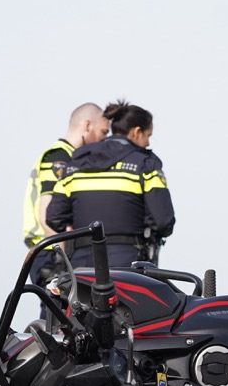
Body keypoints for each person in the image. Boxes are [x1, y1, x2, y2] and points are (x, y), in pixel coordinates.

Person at [46, 100, 175, 269]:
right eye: (148, 136)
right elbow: (162, 221)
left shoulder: (74, 163)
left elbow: (54, 217)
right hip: (129, 265)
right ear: (137, 132)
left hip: (81, 266)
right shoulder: (146, 165)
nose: (148, 143)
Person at [22, 103, 110, 285]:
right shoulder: (59, 158)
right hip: (50, 252)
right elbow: (47, 216)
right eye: (103, 132)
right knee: (54, 312)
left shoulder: (71, 158)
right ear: (87, 125)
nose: (104, 140)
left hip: (54, 250)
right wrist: (62, 261)